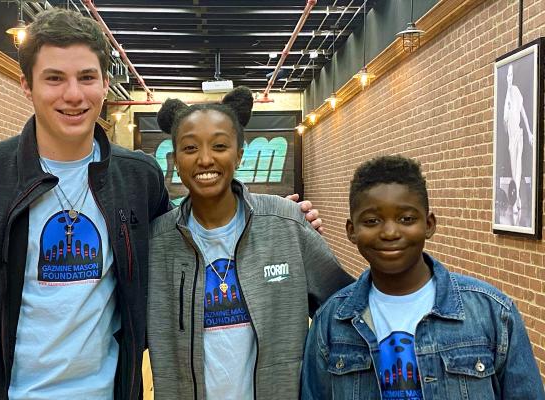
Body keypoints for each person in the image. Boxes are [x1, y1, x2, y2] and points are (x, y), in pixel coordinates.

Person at [0, 9, 322, 400]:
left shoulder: (137, 178)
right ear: (27, 85)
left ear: (105, 84)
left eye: (87, 77)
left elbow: (190, 238)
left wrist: (281, 221)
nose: (73, 94)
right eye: (54, 78)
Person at [147, 87, 355, 399]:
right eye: (190, 148)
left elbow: (345, 307)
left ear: (239, 154)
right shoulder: (155, 244)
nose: (205, 159)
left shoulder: (286, 222)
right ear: (174, 160)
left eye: (219, 145)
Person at [301, 155, 544, 400]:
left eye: (406, 219)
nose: (390, 232)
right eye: (372, 221)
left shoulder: (492, 313)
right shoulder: (331, 322)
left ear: (429, 224)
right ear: (351, 231)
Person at [503, 64, 534, 216]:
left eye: (511, 75)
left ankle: (516, 202)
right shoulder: (506, 97)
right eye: (507, 76)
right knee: (514, 166)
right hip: (511, 139)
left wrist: (529, 133)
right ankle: (518, 201)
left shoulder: (515, 91)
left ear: (513, 76)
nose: (509, 78)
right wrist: (507, 112)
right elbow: (504, 123)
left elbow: (523, 114)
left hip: (519, 134)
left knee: (519, 167)